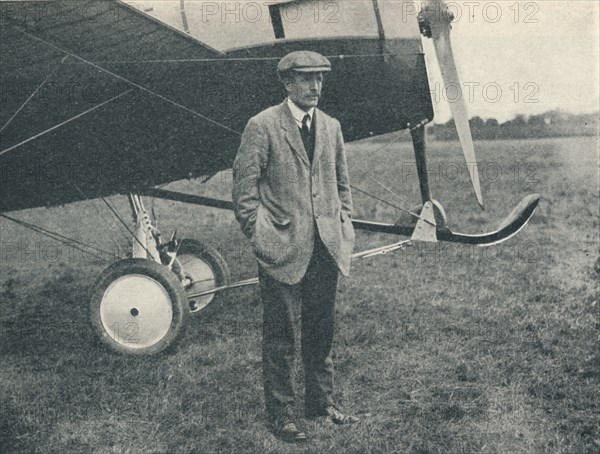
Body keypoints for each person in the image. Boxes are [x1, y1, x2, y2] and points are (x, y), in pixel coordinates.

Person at [232, 50, 358, 442]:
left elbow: (341, 184)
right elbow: (243, 190)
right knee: (281, 335)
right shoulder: (263, 126)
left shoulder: (331, 126)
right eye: (306, 79)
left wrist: (343, 224)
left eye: (320, 79)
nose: (315, 86)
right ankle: (282, 415)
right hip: (282, 248)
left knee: (321, 330)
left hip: (326, 246)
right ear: (287, 83)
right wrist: (261, 233)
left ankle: (321, 403)